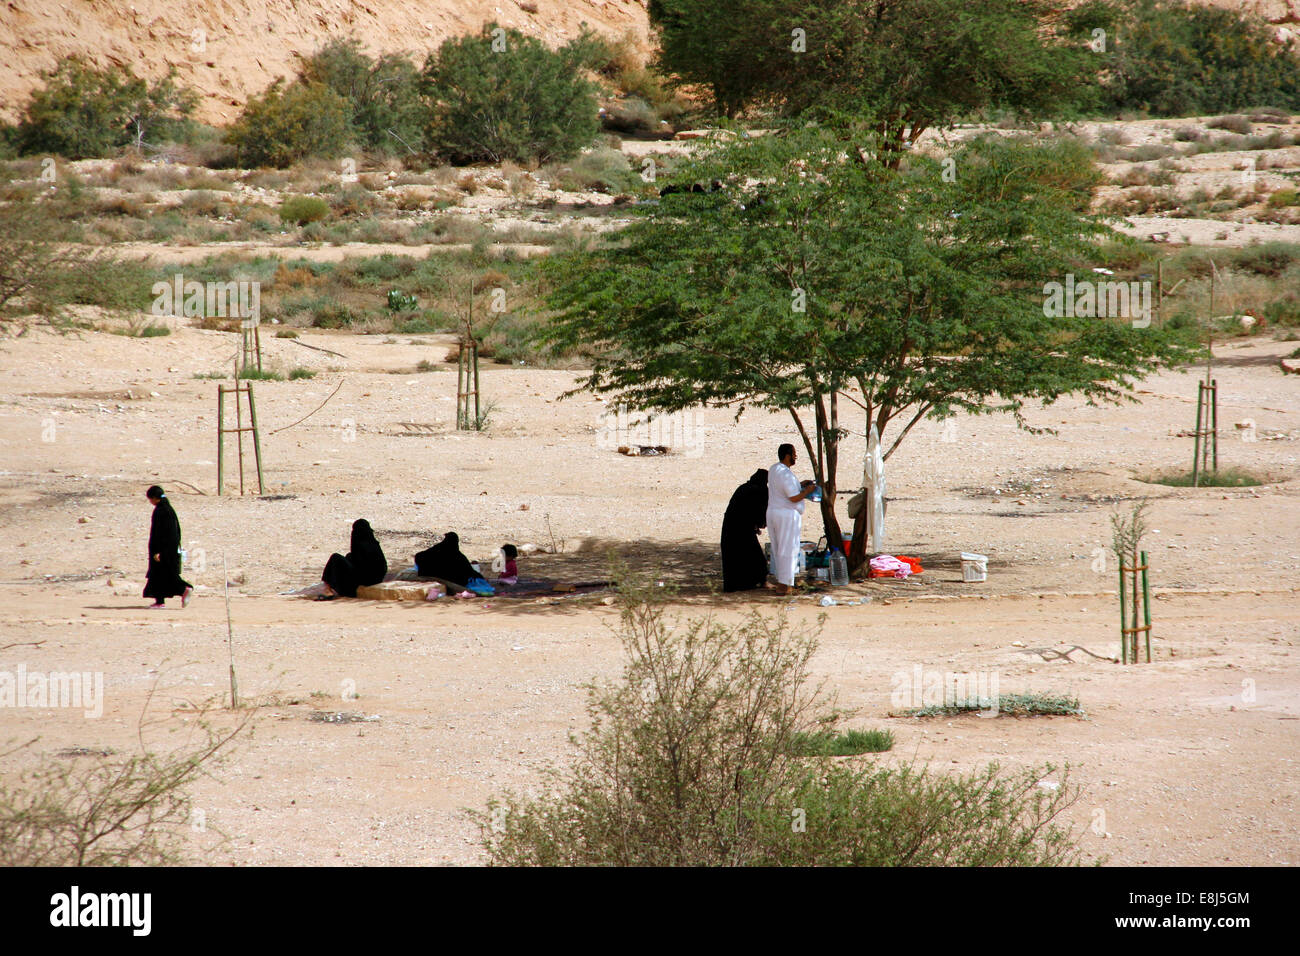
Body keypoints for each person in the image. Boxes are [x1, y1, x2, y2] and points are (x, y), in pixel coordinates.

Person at [766, 443, 817, 595]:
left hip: (774, 513)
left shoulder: (774, 469)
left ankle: (783, 582)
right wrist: (808, 490)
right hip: (786, 515)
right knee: (788, 549)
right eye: (794, 453)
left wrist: (800, 484)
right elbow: (793, 497)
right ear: (787, 455)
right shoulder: (785, 473)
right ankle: (785, 585)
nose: (795, 456)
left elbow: (783, 488)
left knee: (778, 548)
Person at [143, 485, 192, 609]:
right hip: (165, 550)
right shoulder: (167, 509)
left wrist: (160, 552)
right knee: (159, 576)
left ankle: (184, 589)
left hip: (163, 551)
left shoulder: (162, 511)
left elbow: (164, 534)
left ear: (155, 498)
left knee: (165, 576)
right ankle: (160, 601)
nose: (150, 502)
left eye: (150, 499)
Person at [721, 469, 769, 592]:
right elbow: (760, 510)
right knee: (755, 555)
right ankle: (760, 581)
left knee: (734, 556)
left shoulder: (744, 487)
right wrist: (760, 524)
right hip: (742, 528)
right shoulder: (760, 490)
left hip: (731, 527)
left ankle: (736, 584)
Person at [320, 519, 387, 599]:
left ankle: (327, 589)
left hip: (364, 579)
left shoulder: (360, 543)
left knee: (335, 558)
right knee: (349, 556)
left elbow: (359, 564)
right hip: (376, 578)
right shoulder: (373, 543)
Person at [414, 531, 478, 587]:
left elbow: (419, 556)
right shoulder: (459, 557)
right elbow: (468, 571)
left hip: (431, 574)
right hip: (453, 579)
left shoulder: (437, 549)